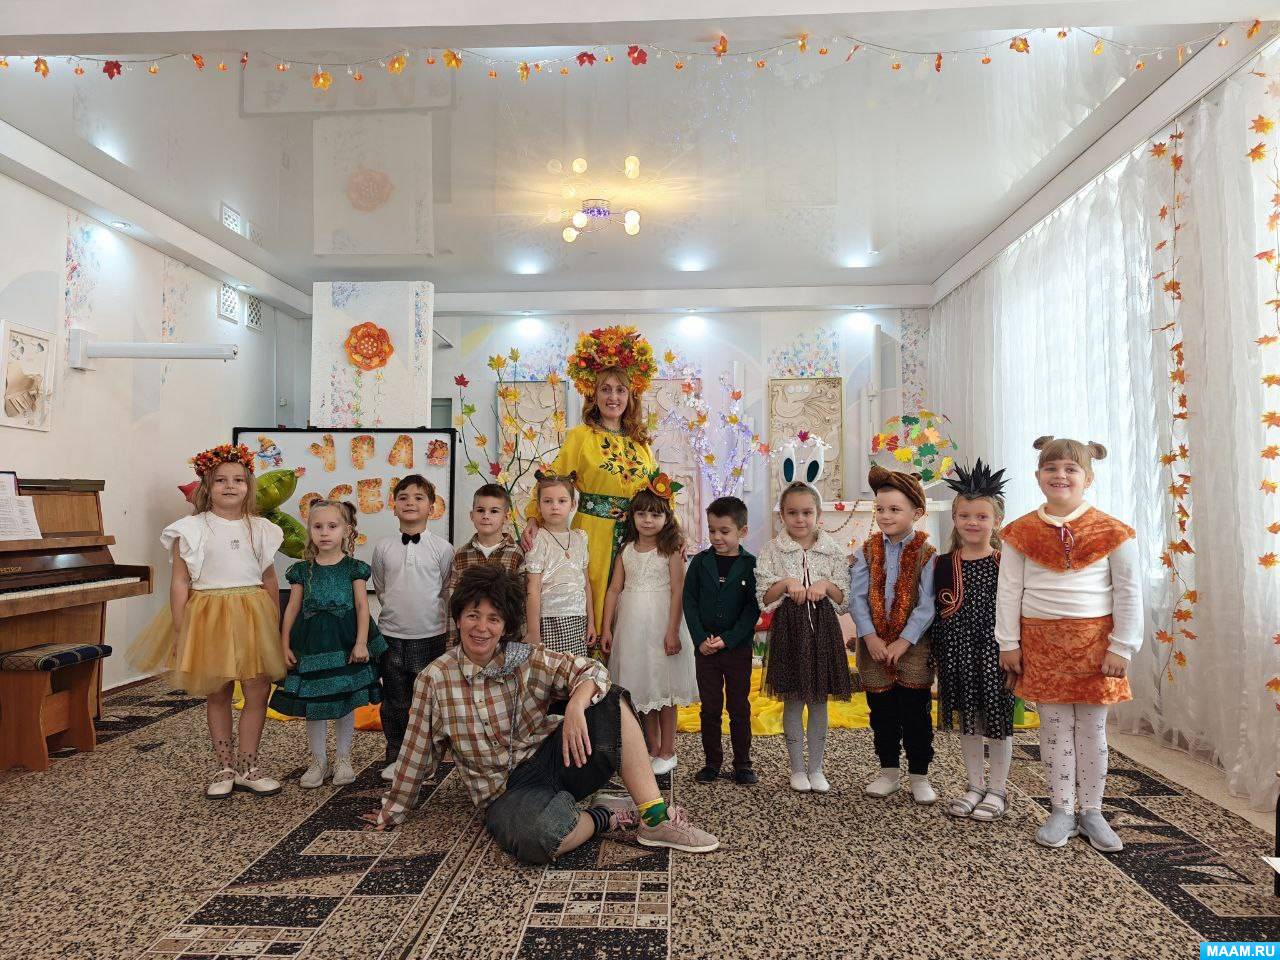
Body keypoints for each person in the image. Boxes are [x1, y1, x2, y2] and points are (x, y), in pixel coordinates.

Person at [365, 565, 719, 864]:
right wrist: (392, 809)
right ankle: (604, 815)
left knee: (609, 699)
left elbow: (593, 670)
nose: (481, 628)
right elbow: (417, 751)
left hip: (556, 759)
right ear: (458, 618)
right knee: (538, 838)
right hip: (505, 793)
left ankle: (655, 820)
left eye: (493, 618)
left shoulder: (526, 658)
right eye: (473, 615)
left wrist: (577, 705)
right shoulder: (435, 679)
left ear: (505, 626)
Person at [997, 436, 1142, 853]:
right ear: (1038, 475)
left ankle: (1092, 811)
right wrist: (1008, 642)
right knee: (1055, 729)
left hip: (1096, 646)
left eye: (1071, 469)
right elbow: (1009, 591)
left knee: (1092, 729)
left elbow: (1129, 592)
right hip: (1041, 645)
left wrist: (1122, 646)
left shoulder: (1113, 531)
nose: (1060, 475)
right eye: (1051, 468)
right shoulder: (1020, 532)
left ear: (1088, 478)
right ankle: (1061, 809)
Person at [130, 443, 286, 798]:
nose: (230, 486)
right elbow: (179, 582)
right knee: (217, 692)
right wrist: (181, 628)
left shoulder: (262, 529)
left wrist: (273, 626)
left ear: (248, 485)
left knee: (257, 689)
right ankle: (224, 766)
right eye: (220, 480)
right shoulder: (190, 529)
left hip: (253, 614)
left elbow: (269, 579)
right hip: (209, 615)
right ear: (207, 486)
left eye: (238, 480)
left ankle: (249, 765)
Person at [521, 326, 658, 632]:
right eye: (605, 389)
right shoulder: (581, 436)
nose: (613, 397)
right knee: (594, 594)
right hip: (593, 534)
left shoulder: (641, 443)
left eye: (620, 390)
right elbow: (552, 479)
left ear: (631, 396)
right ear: (594, 395)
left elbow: (657, 492)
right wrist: (533, 516)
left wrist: (669, 531)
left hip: (637, 535)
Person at [270, 500, 387, 788]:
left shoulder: (354, 568)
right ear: (309, 530)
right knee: (315, 701)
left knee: (345, 699)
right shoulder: (302, 570)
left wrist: (361, 643)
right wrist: (284, 645)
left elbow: (362, 607)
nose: (324, 532)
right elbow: (292, 609)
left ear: (346, 530)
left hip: (345, 640)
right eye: (317, 526)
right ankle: (318, 760)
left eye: (332, 526)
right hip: (312, 644)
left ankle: (343, 758)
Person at [849, 466, 939, 804]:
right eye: (880, 509)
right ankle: (888, 772)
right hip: (874, 645)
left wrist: (903, 641)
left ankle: (919, 775)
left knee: (916, 714)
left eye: (894, 509)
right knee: (882, 712)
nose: (885, 516)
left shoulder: (928, 554)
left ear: (916, 513)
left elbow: (928, 604)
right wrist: (870, 636)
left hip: (912, 647)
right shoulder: (866, 552)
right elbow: (857, 598)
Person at [931, 460, 1015, 822]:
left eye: (981, 516)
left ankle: (998, 789)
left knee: (997, 721)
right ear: (954, 519)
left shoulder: (1005, 562)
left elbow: (1017, 609)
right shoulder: (942, 564)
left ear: (996, 520)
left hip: (994, 652)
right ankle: (975, 785)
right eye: (965, 516)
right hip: (957, 652)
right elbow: (934, 611)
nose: (972, 522)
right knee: (969, 722)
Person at [756, 481, 852, 793]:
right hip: (789, 632)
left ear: (818, 514)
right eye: (792, 513)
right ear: (782, 515)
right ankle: (797, 768)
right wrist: (786, 583)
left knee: (819, 701)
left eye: (807, 512)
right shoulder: (772, 550)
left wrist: (825, 585)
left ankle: (817, 768)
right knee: (794, 700)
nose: (800, 519)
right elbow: (764, 598)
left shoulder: (832, 550)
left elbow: (844, 599)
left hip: (823, 631)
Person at [600, 473, 698, 775]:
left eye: (655, 514)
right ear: (632, 517)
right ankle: (652, 747)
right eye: (641, 513)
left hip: (661, 625)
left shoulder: (670, 550)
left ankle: (668, 750)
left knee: (664, 688)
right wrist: (606, 628)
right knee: (643, 688)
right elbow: (614, 590)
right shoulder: (626, 550)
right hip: (631, 629)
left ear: (667, 518)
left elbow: (678, 590)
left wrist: (672, 631)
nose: (647, 520)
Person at [371, 475, 455, 782]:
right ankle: (395, 755)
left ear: (432, 508)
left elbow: (445, 588)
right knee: (395, 701)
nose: (410, 502)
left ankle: (426, 756)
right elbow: (381, 588)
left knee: (428, 703)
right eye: (403, 497)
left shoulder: (443, 549)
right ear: (394, 506)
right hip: (391, 636)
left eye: (419, 497)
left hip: (431, 636)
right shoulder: (383, 548)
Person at [683, 496, 760, 785]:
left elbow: (752, 609)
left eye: (724, 531)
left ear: (743, 531)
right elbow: (689, 602)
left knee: (739, 707)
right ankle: (712, 763)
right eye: (712, 530)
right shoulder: (700, 562)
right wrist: (700, 639)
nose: (716, 537)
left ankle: (743, 764)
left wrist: (728, 639)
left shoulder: (751, 564)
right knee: (710, 708)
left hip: (737, 649)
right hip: (705, 650)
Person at [445, 484, 526, 649]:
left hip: (506, 639)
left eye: (494, 511)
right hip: (471, 638)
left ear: (506, 517)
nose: (486, 516)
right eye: (480, 510)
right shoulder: (461, 554)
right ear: (472, 515)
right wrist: (452, 640)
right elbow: (453, 598)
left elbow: (522, 600)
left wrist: (521, 638)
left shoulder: (517, 554)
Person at [525, 470, 594, 655]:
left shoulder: (580, 538)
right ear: (538, 506)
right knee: (551, 669)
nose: (555, 506)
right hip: (550, 619)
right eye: (548, 501)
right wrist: (533, 631)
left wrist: (591, 623)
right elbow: (533, 588)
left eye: (562, 501)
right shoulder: (538, 539)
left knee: (576, 668)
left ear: (573, 504)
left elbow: (586, 584)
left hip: (578, 619)